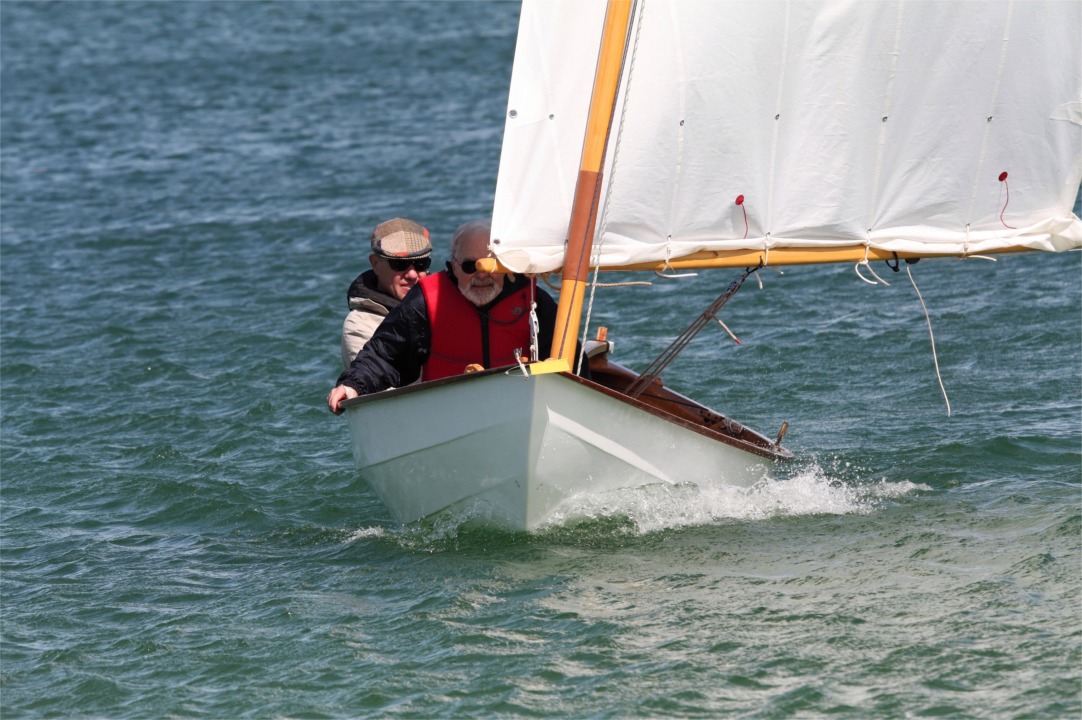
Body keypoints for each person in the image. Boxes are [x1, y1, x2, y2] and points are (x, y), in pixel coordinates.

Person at [327, 218, 581, 414]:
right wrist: (353, 385)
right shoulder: (424, 302)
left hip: (522, 410)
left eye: (491, 265)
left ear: (505, 266)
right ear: (453, 266)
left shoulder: (533, 300)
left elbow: (573, 359)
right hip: (446, 417)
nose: (482, 275)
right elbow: (384, 356)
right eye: (471, 266)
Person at [339, 217, 433, 368]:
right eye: (399, 264)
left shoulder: (445, 304)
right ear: (375, 264)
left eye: (420, 264)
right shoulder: (359, 326)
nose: (412, 275)